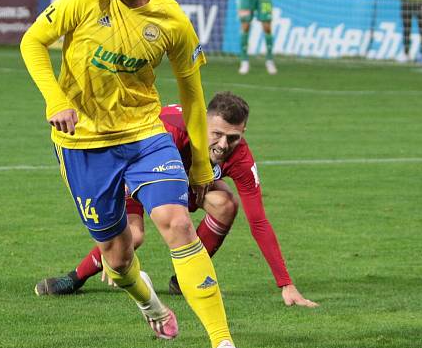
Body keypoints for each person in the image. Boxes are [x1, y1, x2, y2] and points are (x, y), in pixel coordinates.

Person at [20, 0, 249, 348]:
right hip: (82, 143)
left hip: (144, 135)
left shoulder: (172, 21)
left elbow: (192, 95)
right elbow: (32, 42)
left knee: (177, 223)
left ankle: (223, 343)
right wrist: (57, 99)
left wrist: (201, 165)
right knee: (119, 257)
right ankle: (149, 304)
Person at [36, 92, 318, 309]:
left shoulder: (240, 157)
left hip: (183, 181)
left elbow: (259, 221)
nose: (223, 145)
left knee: (226, 204)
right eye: (217, 135)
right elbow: (126, 162)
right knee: (132, 237)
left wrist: (286, 284)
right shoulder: (171, 131)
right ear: (203, 122)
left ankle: (184, 279)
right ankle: (75, 277)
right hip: (137, 170)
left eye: (233, 138)